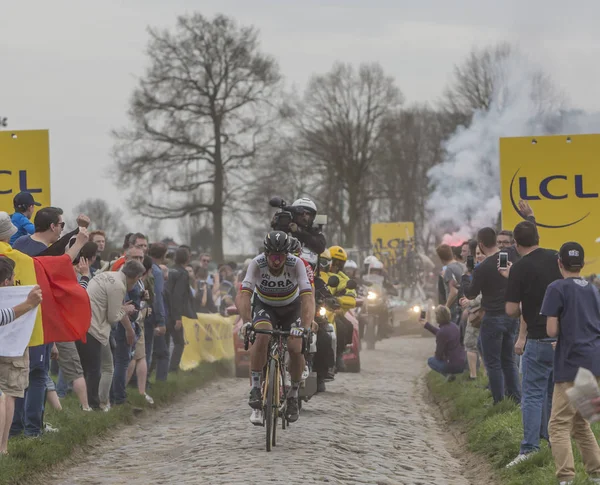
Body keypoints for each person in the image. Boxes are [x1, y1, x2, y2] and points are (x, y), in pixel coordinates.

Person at [501, 221, 563, 467]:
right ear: (538, 236)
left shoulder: (519, 268)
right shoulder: (556, 258)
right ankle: (552, 442)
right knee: (552, 393)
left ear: (515, 244)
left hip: (536, 338)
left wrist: (513, 284)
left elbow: (511, 309)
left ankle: (529, 448)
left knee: (533, 395)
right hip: (561, 340)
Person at [236, 231, 314, 425]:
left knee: (296, 348)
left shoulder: (296, 264)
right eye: (272, 256)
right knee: (261, 336)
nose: (276, 261)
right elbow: (244, 295)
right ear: (266, 254)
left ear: (287, 255)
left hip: (291, 308)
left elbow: (307, 297)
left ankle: (293, 394)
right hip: (266, 306)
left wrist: (305, 326)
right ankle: (255, 387)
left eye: (280, 256)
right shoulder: (257, 263)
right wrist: (247, 322)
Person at [541, 242, 600, 485]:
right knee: (580, 422)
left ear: (559, 263)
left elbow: (552, 329)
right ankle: (596, 474)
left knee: (558, 424)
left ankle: (565, 478)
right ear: (583, 264)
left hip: (570, 363)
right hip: (594, 361)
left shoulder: (556, 287)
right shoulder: (594, 289)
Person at [463, 227, 521, 405]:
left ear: (480, 244)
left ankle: (498, 401)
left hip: (493, 317)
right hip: (512, 316)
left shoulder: (482, 268)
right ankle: (515, 397)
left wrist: (468, 275)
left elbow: (471, 294)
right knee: (509, 360)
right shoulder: (511, 257)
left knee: (493, 362)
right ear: (496, 241)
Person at [79, 260, 144, 409]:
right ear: (135, 277)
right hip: (95, 328)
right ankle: (97, 404)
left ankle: (96, 402)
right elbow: (113, 317)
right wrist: (126, 310)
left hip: (87, 323)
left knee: (97, 368)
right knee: (102, 369)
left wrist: (121, 312)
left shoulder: (108, 275)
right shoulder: (119, 286)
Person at [0, 256, 43, 454]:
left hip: (12, 349)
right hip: (12, 350)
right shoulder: (20, 297)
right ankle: (3, 447)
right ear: (6, 281)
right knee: (5, 396)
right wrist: (28, 304)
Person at [165, 247, 196, 372]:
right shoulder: (183, 273)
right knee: (179, 343)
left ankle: (161, 370)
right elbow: (178, 295)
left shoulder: (171, 270)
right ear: (187, 258)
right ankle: (173, 370)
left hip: (166, 310)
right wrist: (177, 318)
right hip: (174, 313)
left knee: (166, 342)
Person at [420, 305, 466, 380]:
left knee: (431, 361)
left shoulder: (442, 332)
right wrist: (426, 325)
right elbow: (442, 333)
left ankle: (448, 375)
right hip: (462, 363)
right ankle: (451, 374)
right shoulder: (454, 326)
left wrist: (438, 356)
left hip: (452, 365)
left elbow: (438, 355)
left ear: (438, 317)